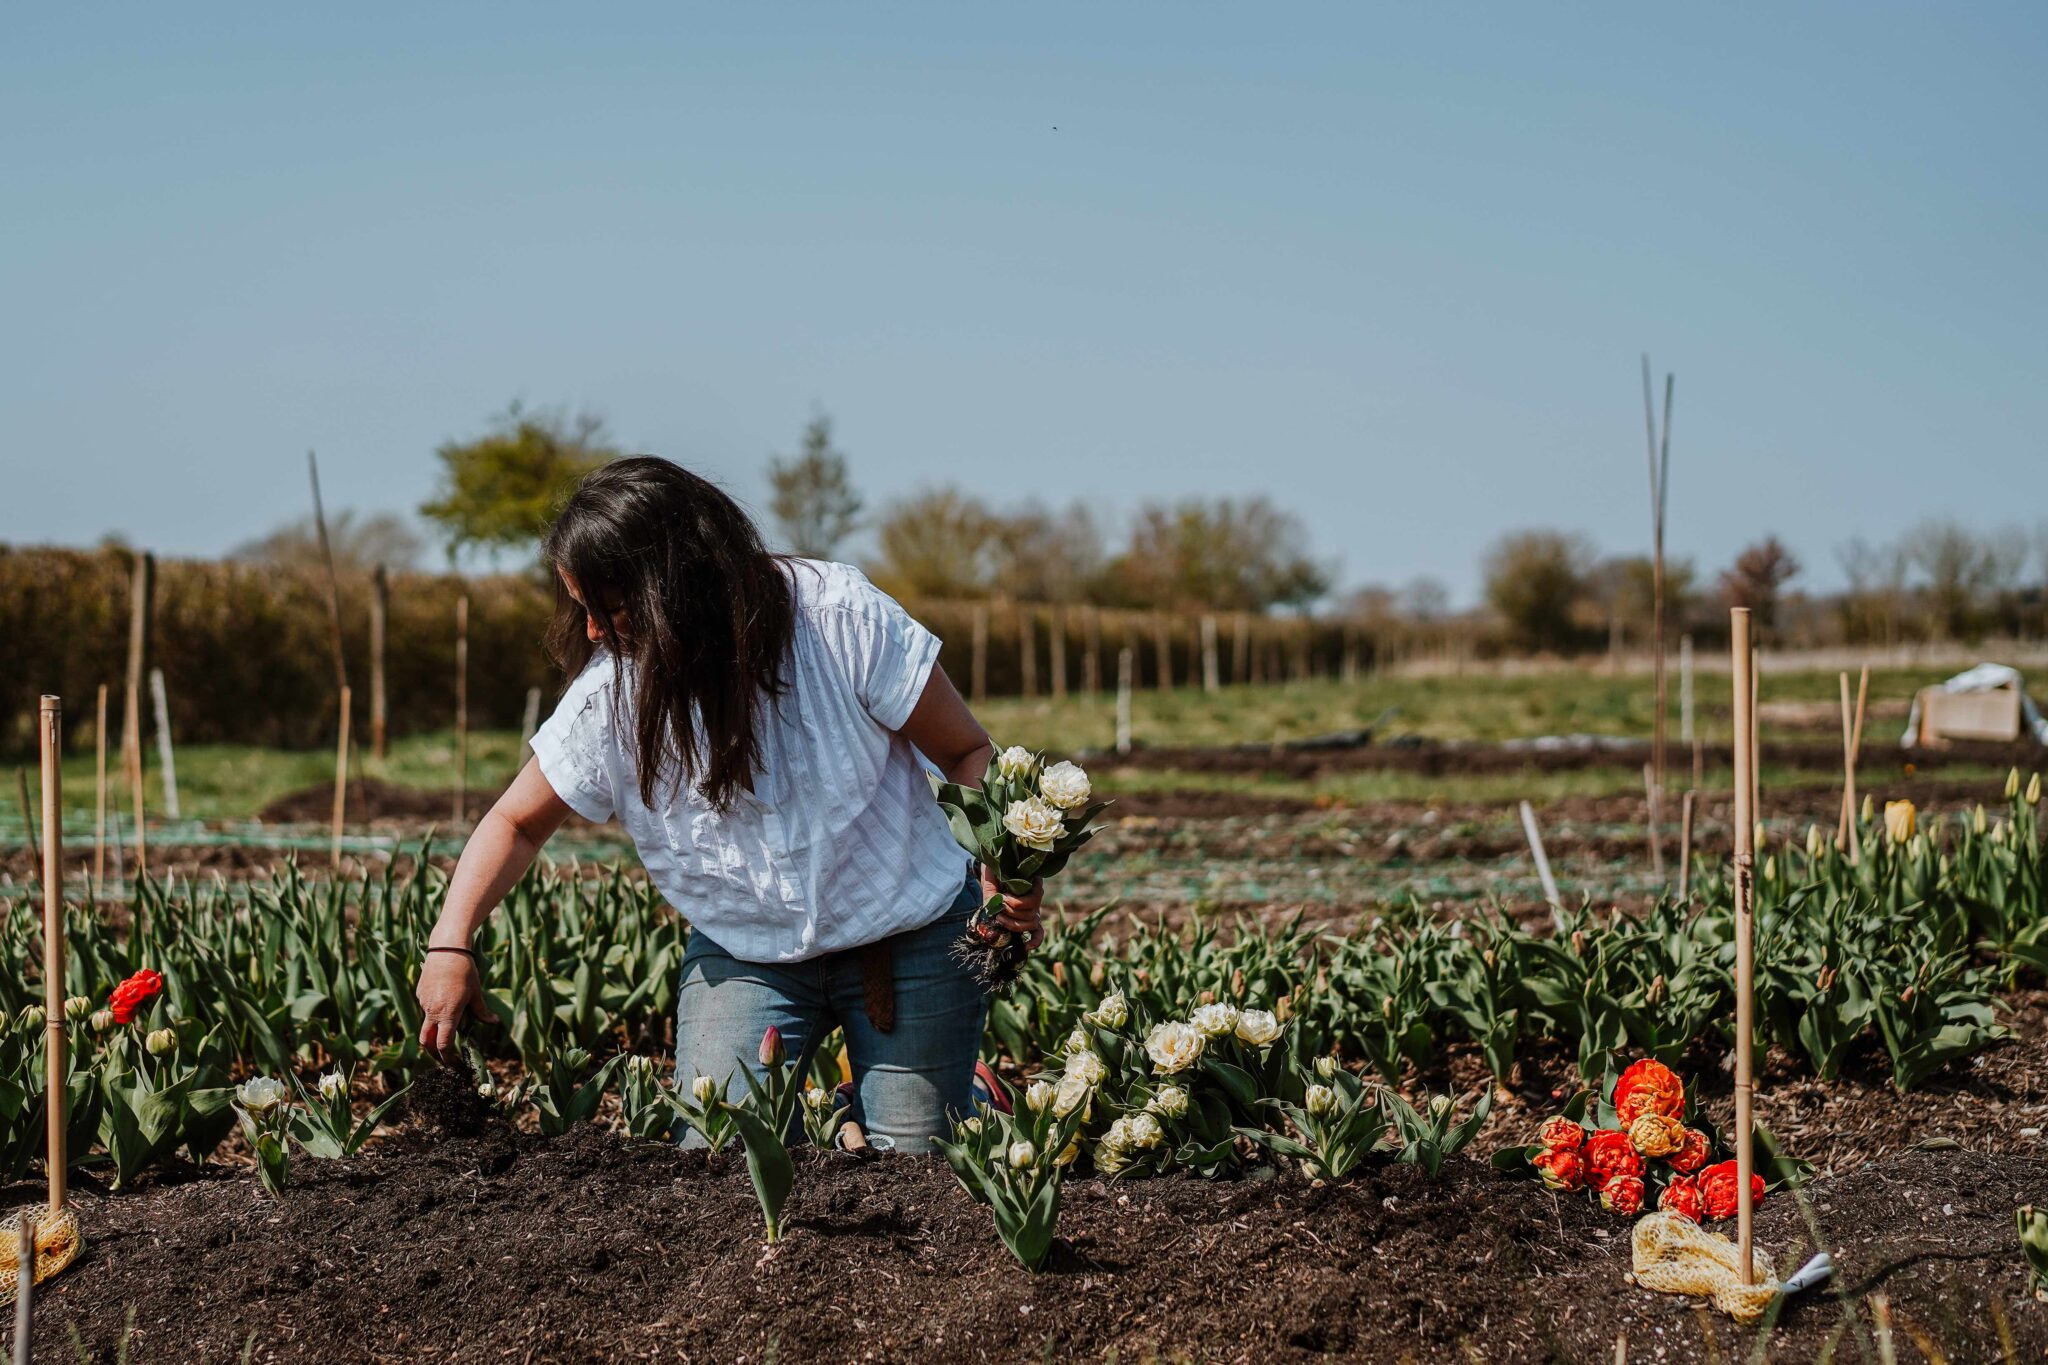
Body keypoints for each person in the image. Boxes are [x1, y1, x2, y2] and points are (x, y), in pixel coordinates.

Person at [413, 456, 1040, 1149]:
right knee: (721, 1159)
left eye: (611, 610)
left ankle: (968, 1097)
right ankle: (841, 1116)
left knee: (914, 1169)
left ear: (682, 585)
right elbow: (516, 821)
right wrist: (450, 942)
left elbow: (967, 751)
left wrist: (1001, 864)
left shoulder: (837, 619)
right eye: (583, 609)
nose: (593, 633)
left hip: (906, 923)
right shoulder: (611, 695)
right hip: (748, 946)